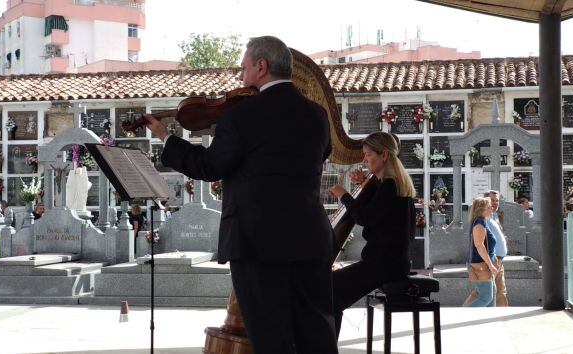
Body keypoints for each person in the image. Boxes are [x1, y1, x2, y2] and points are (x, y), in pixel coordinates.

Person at [144, 36, 338, 354]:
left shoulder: (241, 116)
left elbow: (208, 166)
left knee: (271, 336)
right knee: (316, 331)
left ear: (261, 67)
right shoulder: (316, 115)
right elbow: (323, 152)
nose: (241, 76)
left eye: (244, 67)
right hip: (310, 238)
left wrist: (168, 138)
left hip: (258, 242)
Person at [327, 132, 416, 336]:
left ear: (384, 155)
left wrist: (344, 195)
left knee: (326, 291)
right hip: (388, 263)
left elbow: (364, 218)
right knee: (329, 293)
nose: (365, 159)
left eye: (368, 154)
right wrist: (362, 185)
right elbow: (377, 213)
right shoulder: (390, 184)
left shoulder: (390, 186)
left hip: (383, 265)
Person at [463, 190, 509, 306]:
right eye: (489, 206)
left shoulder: (486, 220)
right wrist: (490, 265)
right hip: (482, 264)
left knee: (491, 296)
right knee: (486, 297)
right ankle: (462, 315)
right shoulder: (480, 223)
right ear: (482, 209)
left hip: (490, 262)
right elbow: (479, 245)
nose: (491, 208)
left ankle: (490, 320)